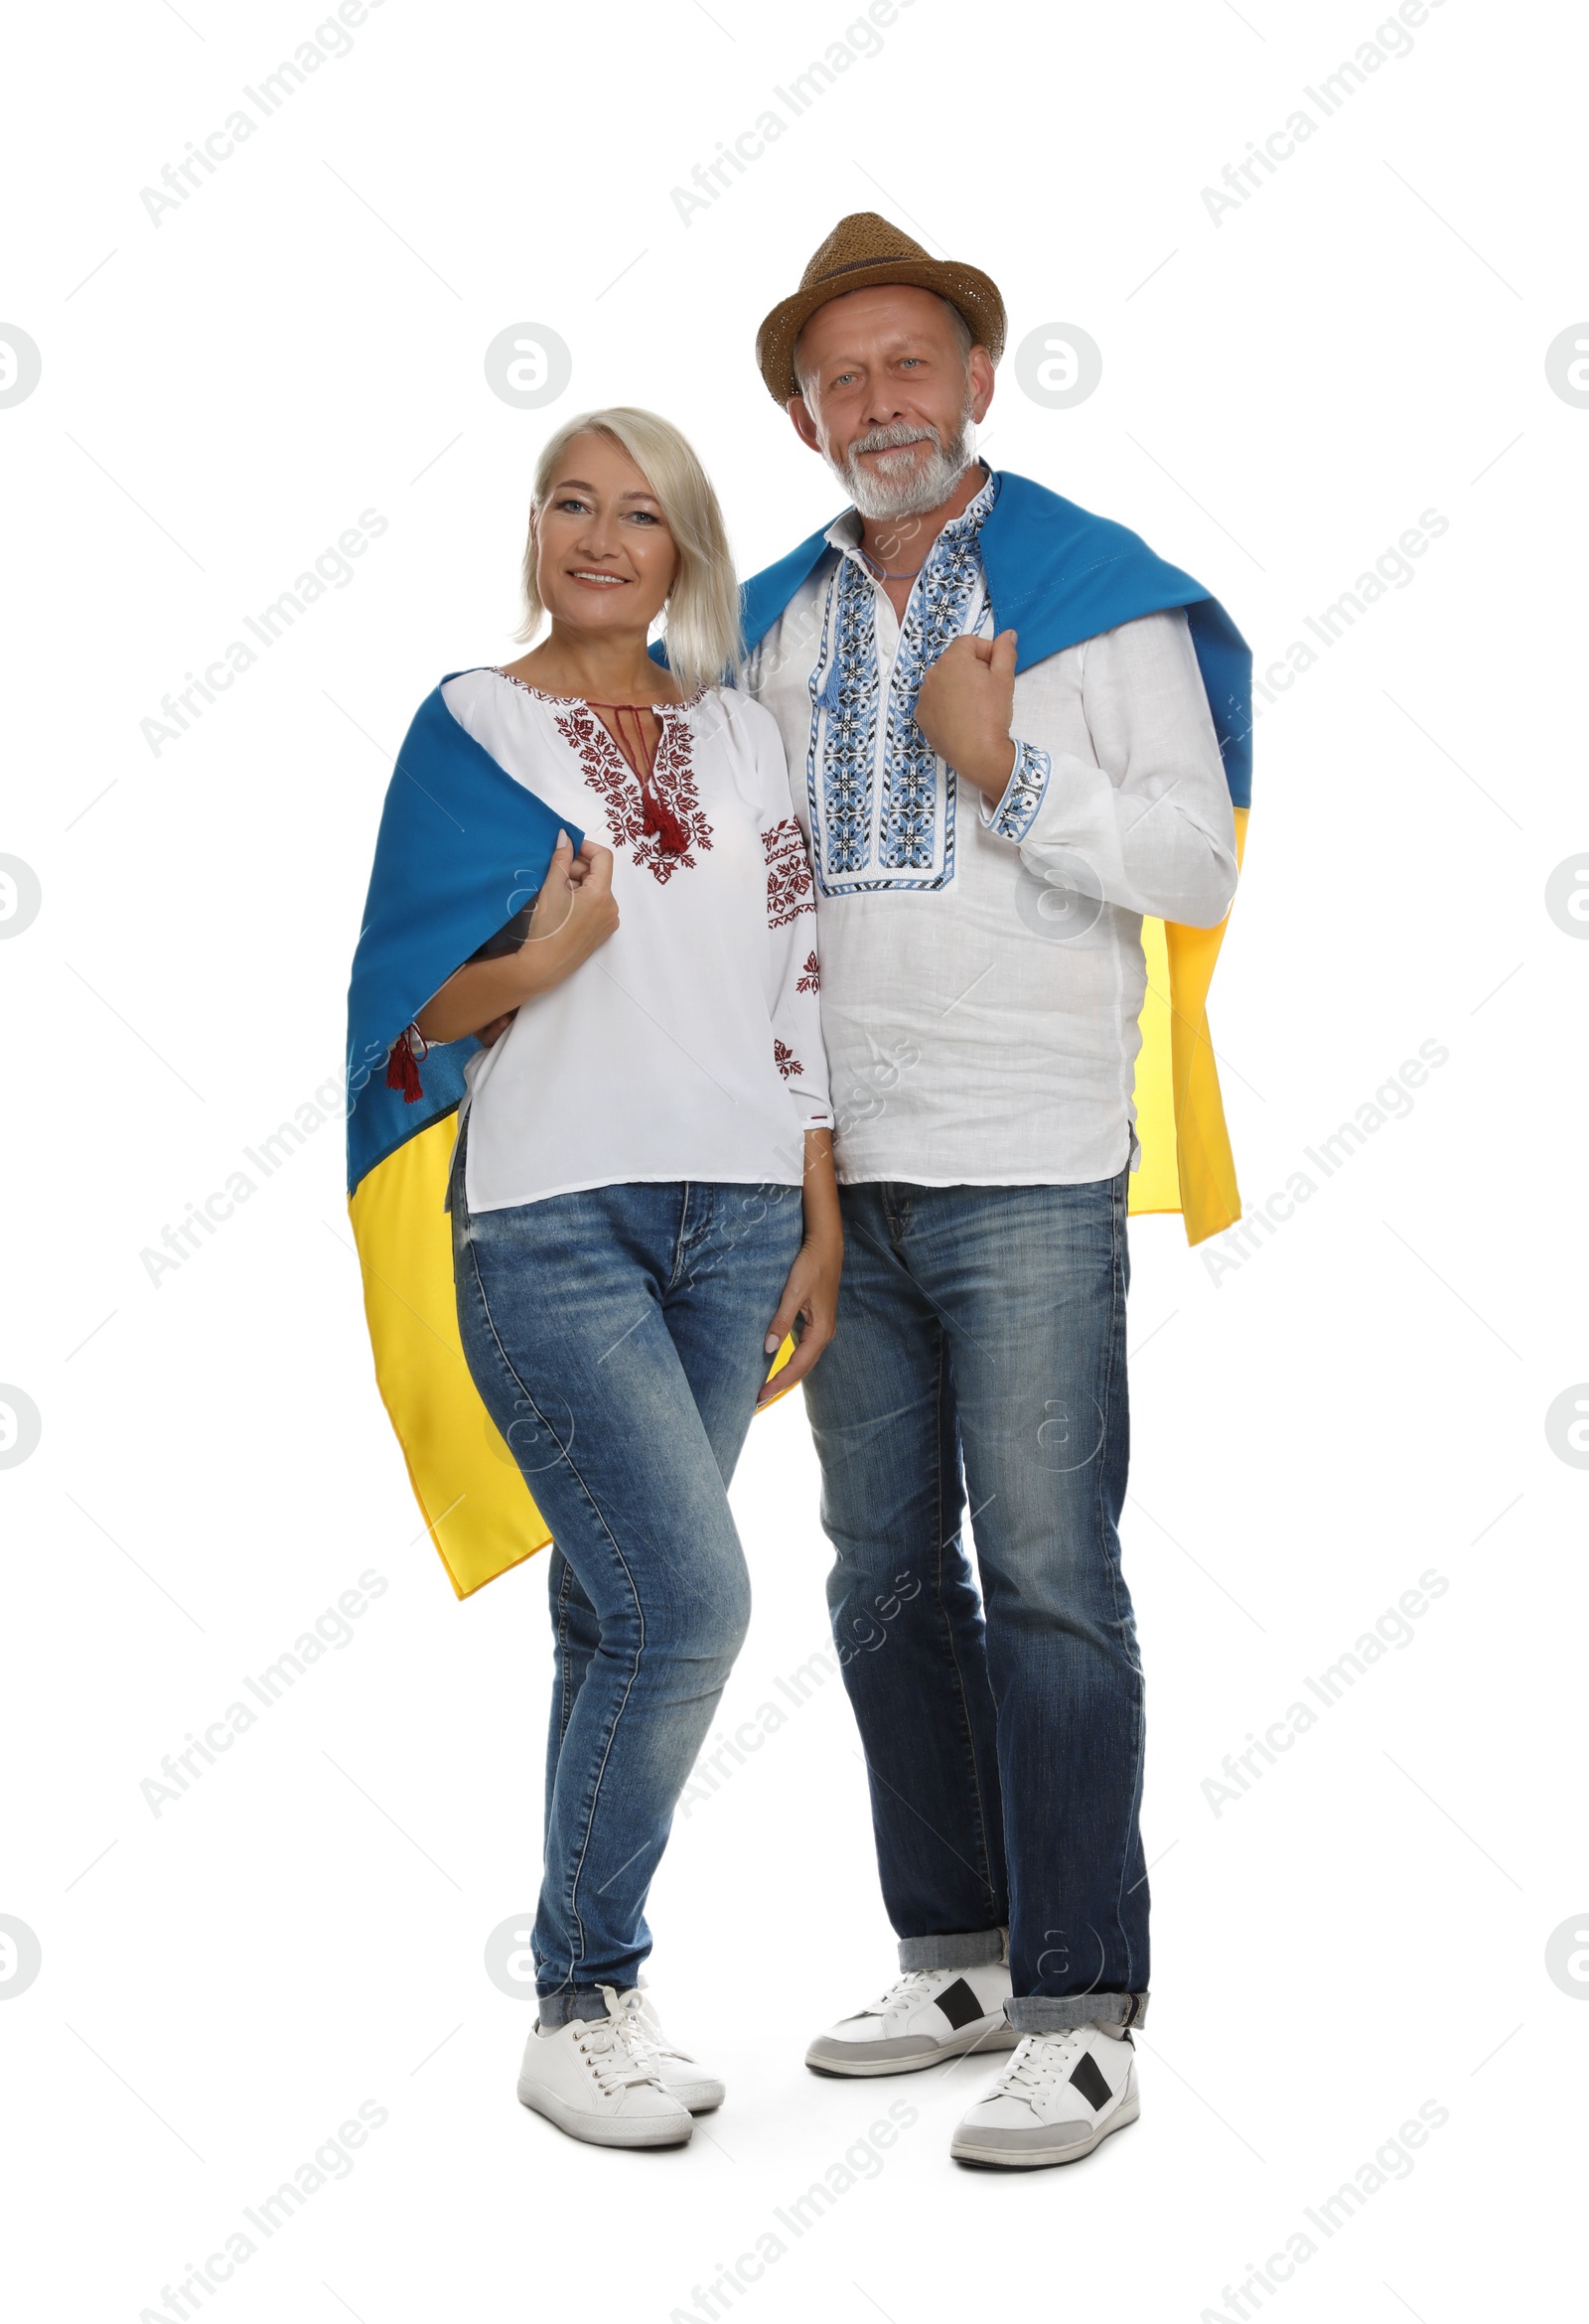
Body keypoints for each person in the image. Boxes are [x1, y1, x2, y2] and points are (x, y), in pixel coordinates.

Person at [738, 216, 1251, 2168]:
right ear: (803, 416)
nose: (878, 399)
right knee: (878, 1578)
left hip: (1030, 1160)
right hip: (842, 1176)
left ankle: (1078, 2003)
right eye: (838, 377)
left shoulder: (1094, 601)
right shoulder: (778, 626)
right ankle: (950, 1954)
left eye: (909, 364)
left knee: (1045, 1580)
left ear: (975, 379)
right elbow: (768, 904)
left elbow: (1194, 863)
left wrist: (1001, 772)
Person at [412, 408, 841, 2148]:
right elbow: (410, 1012)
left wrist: (814, 1212)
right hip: (552, 1225)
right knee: (693, 1606)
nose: (600, 536)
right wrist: (546, 955)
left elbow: (797, 982)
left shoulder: (743, 737)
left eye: (640, 515)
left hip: (737, 1224)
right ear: (535, 529)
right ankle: (581, 1990)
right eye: (571, 504)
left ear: (686, 551)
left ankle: (600, 2005)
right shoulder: (475, 726)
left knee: (614, 1614)